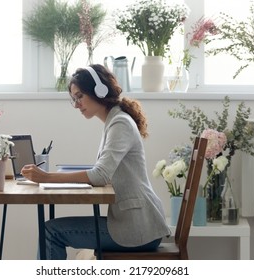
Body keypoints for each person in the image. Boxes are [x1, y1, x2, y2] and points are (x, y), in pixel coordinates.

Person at [21, 64, 170, 260]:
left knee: (51, 232)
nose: (76, 104)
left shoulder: (120, 123)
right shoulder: (114, 121)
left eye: (79, 96)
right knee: (50, 229)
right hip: (133, 222)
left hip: (138, 228)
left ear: (99, 90)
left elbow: (100, 175)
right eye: (73, 99)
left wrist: (46, 177)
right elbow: (102, 172)